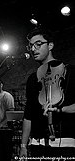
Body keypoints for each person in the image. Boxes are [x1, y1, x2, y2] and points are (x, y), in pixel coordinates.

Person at [19, 27, 75, 159]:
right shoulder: (33, 78)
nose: (33, 49)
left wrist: (60, 109)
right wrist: (23, 145)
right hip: (37, 144)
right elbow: (28, 115)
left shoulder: (71, 71)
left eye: (38, 44)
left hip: (65, 144)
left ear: (50, 45)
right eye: (31, 46)